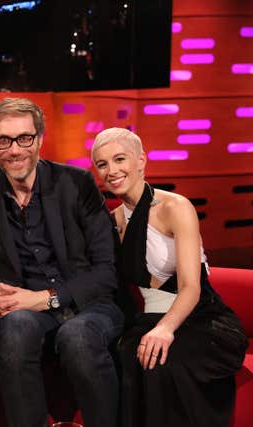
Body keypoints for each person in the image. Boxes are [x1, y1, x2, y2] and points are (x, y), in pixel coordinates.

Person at [0, 98, 124, 427]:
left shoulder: (76, 183)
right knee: (13, 327)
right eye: (3, 141)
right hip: (31, 308)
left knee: (77, 336)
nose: (14, 150)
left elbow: (106, 272)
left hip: (90, 303)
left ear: (39, 139)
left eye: (24, 138)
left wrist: (47, 298)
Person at [91, 127, 248, 427]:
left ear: (141, 160)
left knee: (163, 362)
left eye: (120, 159)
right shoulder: (111, 222)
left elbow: (191, 288)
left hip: (200, 317)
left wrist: (165, 329)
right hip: (147, 319)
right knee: (128, 355)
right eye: (102, 164)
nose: (111, 171)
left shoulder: (176, 207)